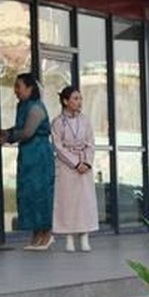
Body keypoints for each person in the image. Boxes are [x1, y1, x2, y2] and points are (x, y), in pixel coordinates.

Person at [0, 73, 55, 250]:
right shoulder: (22, 106)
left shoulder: (36, 108)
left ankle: (47, 234)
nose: (15, 91)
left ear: (30, 88)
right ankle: (36, 234)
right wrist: (7, 132)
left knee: (40, 193)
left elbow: (28, 132)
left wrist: (8, 137)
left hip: (39, 155)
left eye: (18, 87)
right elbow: (20, 128)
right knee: (28, 193)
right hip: (28, 155)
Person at [51, 85, 99, 252]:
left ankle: (85, 236)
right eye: (75, 98)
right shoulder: (57, 122)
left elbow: (91, 142)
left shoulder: (85, 120)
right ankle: (68, 237)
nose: (79, 102)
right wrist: (74, 163)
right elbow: (58, 147)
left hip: (84, 165)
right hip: (67, 167)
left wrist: (86, 162)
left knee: (84, 201)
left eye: (80, 98)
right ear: (65, 101)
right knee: (67, 201)